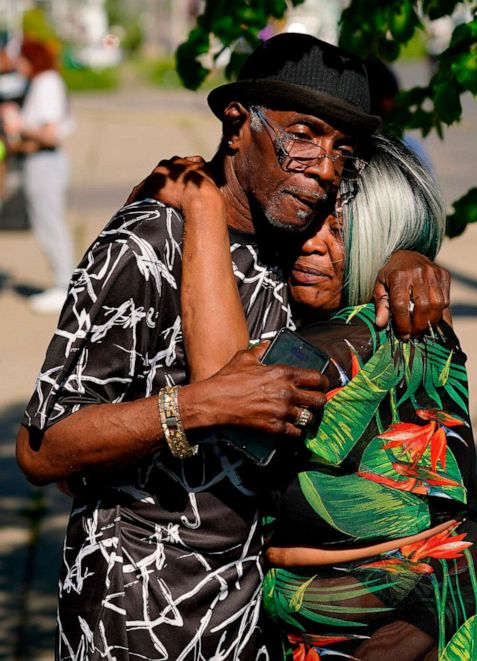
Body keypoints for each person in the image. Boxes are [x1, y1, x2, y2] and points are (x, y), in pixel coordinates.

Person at [16, 34, 450, 660]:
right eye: (304, 134)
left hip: (251, 616)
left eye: (341, 151)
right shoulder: (145, 247)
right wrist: (196, 406)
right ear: (238, 124)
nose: (325, 169)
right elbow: (41, 449)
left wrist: (407, 255)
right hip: (134, 613)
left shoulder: (296, 243)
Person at [175, 132, 477, 659]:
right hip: (419, 608)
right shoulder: (415, 315)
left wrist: (201, 207)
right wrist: (405, 252)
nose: (312, 245)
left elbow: (224, 391)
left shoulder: (356, 338)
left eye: (340, 232)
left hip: (409, 622)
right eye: (309, 224)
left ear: (380, 240)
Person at [2, 38, 74, 313]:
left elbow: (50, 133)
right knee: (47, 224)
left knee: (50, 226)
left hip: (46, 164)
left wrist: (19, 124)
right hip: (38, 163)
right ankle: (62, 283)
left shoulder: (47, 83)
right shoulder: (40, 83)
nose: (16, 65)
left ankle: (63, 285)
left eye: (19, 58)